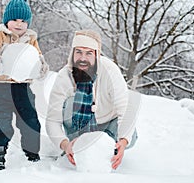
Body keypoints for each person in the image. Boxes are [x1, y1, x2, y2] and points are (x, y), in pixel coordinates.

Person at [46, 29, 138, 170]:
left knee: (130, 137)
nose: (83, 58)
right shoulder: (64, 77)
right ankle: (76, 146)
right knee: (70, 102)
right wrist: (65, 145)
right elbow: (52, 120)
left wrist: (124, 141)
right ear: (72, 54)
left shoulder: (110, 71)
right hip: (78, 129)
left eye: (89, 53)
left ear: (96, 55)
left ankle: (108, 147)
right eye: (79, 52)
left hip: (108, 124)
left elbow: (125, 109)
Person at [0, 0, 48, 170]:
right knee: (1, 119)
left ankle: (32, 149)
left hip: (23, 86)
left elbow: (37, 56)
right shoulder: (0, 36)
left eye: (23, 21)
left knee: (29, 117)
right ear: (7, 21)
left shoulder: (31, 39)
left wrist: (40, 66)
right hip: (0, 85)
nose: (19, 24)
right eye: (15, 20)